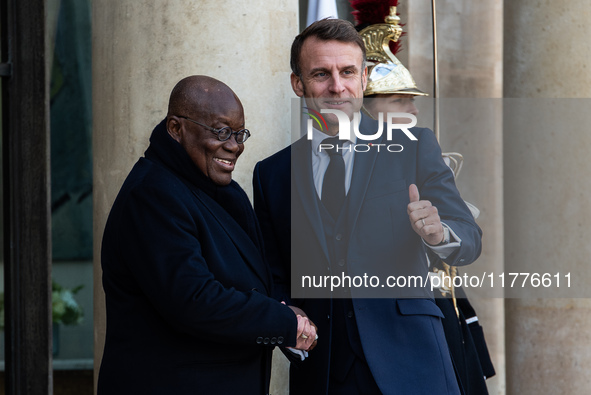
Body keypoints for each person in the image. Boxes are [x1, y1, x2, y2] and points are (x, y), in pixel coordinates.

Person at [253, 18, 482, 394]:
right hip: (323, 372)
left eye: (347, 72)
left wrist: (440, 233)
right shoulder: (271, 173)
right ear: (298, 84)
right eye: (320, 74)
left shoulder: (413, 145)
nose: (336, 86)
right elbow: (274, 270)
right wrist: (286, 312)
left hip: (412, 361)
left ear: (363, 79)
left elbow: (469, 238)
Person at [98, 75, 316, 395]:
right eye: (221, 131)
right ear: (176, 128)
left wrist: (284, 311)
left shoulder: (220, 191)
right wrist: (281, 323)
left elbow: (249, 282)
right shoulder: (152, 195)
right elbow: (193, 300)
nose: (234, 146)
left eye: (239, 133)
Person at [356, 2, 495, 393]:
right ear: (366, 110)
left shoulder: (421, 149)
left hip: (430, 316)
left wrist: (440, 234)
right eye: (400, 101)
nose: (414, 110)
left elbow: (468, 237)